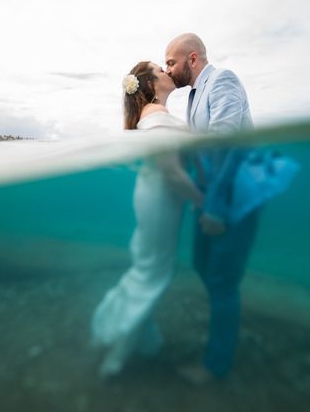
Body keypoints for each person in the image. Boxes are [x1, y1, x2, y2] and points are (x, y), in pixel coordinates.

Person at [91, 61, 204, 378]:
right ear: (152, 85)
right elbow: (172, 171)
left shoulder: (152, 114)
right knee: (153, 274)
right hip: (161, 197)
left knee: (147, 269)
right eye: (161, 70)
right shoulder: (156, 116)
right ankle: (117, 353)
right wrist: (203, 204)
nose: (168, 72)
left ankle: (121, 333)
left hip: (154, 195)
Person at [165, 33, 259, 383]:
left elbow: (225, 147)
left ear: (192, 59)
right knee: (203, 264)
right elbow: (199, 153)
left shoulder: (223, 81)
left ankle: (216, 366)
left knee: (221, 278)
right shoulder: (193, 96)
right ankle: (226, 324)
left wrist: (215, 210)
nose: (167, 68)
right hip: (212, 200)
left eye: (171, 62)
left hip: (233, 200)